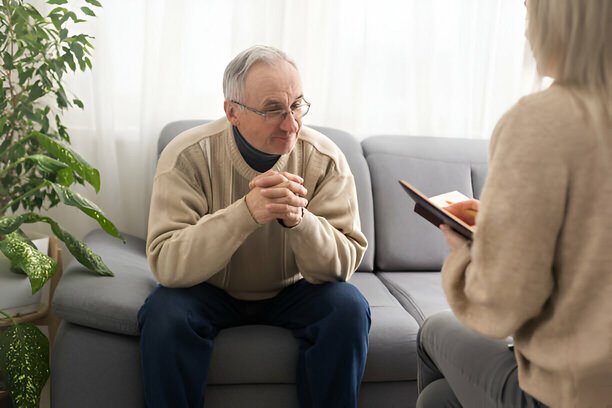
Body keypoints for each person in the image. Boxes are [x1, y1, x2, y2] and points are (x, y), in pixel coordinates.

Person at [137, 45, 370, 408]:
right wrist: (246, 213)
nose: (291, 124)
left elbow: (343, 264)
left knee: (348, 307)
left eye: (296, 106)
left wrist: (300, 221)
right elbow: (166, 263)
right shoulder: (186, 156)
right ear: (232, 112)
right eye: (274, 109)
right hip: (208, 289)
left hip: (294, 290)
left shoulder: (325, 159)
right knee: (164, 313)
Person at [417, 1, 612, 407]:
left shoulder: (540, 121)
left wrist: (468, 251)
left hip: (573, 392)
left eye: (529, 15)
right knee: (439, 400)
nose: (526, 33)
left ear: (561, 19)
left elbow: (502, 304)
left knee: (432, 332)